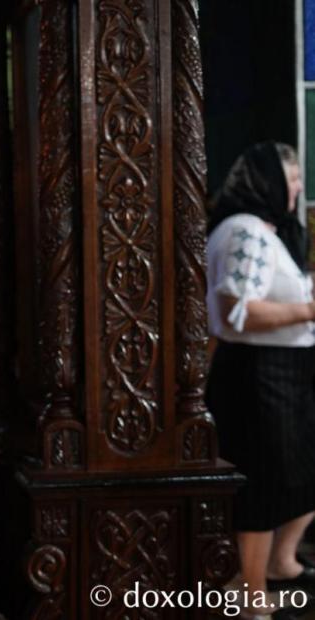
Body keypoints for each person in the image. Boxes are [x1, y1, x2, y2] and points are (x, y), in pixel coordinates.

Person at [205, 141, 315, 618]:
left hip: (282, 374)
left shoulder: (264, 231)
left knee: (293, 479)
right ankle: (250, 597)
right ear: (266, 183)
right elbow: (237, 313)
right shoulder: (246, 231)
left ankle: (279, 566)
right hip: (258, 376)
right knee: (262, 483)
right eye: (290, 182)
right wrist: (310, 309)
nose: (296, 192)